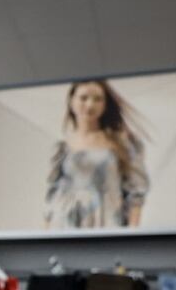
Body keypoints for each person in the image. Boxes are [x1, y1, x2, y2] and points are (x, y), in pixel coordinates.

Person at [44, 78, 149, 229]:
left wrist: (132, 231)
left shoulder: (122, 143)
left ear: (105, 105)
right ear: (72, 101)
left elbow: (136, 192)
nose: (90, 105)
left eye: (98, 99)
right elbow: (52, 193)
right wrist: (46, 235)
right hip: (65, 224)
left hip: (107, 222)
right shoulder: (62, 146)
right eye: (83, 98)